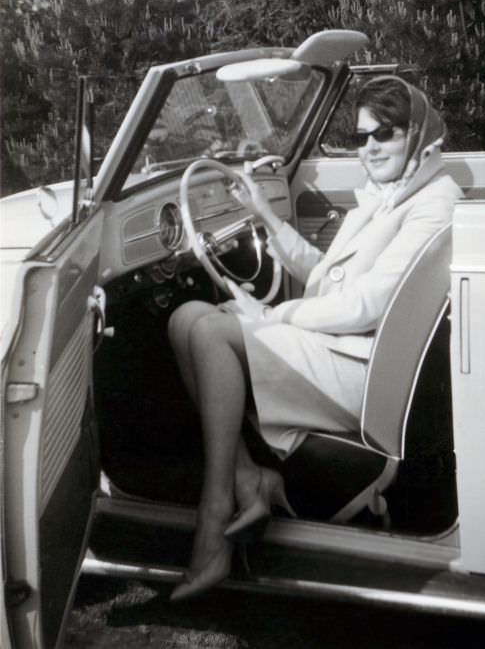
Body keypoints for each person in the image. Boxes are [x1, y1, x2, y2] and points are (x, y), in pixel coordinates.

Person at [167, 75, 462, 599]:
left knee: (212, 331)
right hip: (343, 346)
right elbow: (331, 275)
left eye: (384, 134)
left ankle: (215, 520)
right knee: (186, 317)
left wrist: (275, 317)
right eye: (360, 137)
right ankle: (247, 481)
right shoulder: (388, 195)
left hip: (364, 374)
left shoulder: (432, 202)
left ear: (417, 133)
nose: (368, 147)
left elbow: (366, 306)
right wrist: (264, 217)